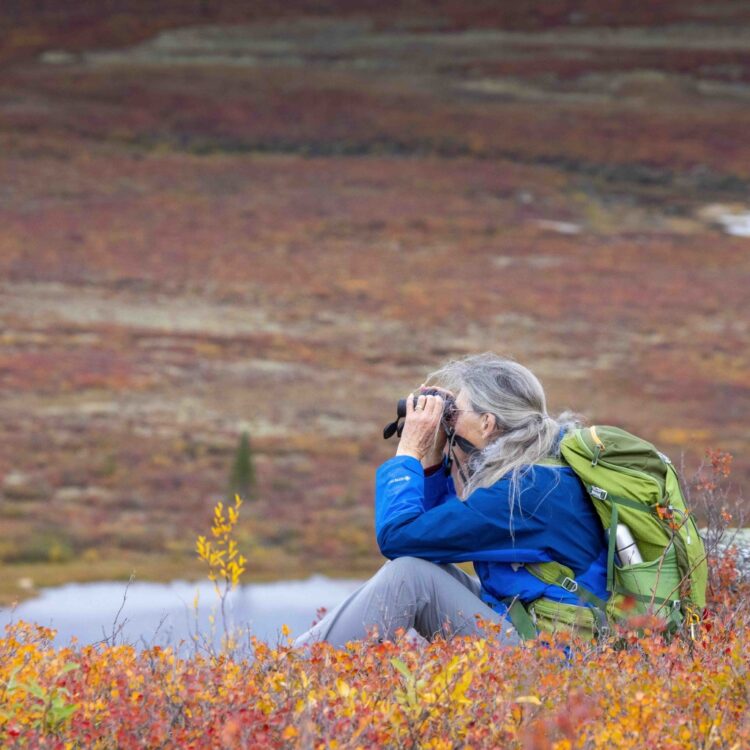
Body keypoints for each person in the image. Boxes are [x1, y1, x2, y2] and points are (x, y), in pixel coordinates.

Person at [293, 353, 608, 649]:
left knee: (410, 577)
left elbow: (398, 538)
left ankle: (292, 674)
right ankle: (293, 667)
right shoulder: (543, 470)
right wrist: (432, 457)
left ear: (487, 422)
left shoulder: (526, 494)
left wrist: (409, 452)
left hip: (550, 659)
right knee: (418, 566)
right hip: (532, 623)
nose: (450, 419)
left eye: (457, 411)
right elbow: (431, 536)